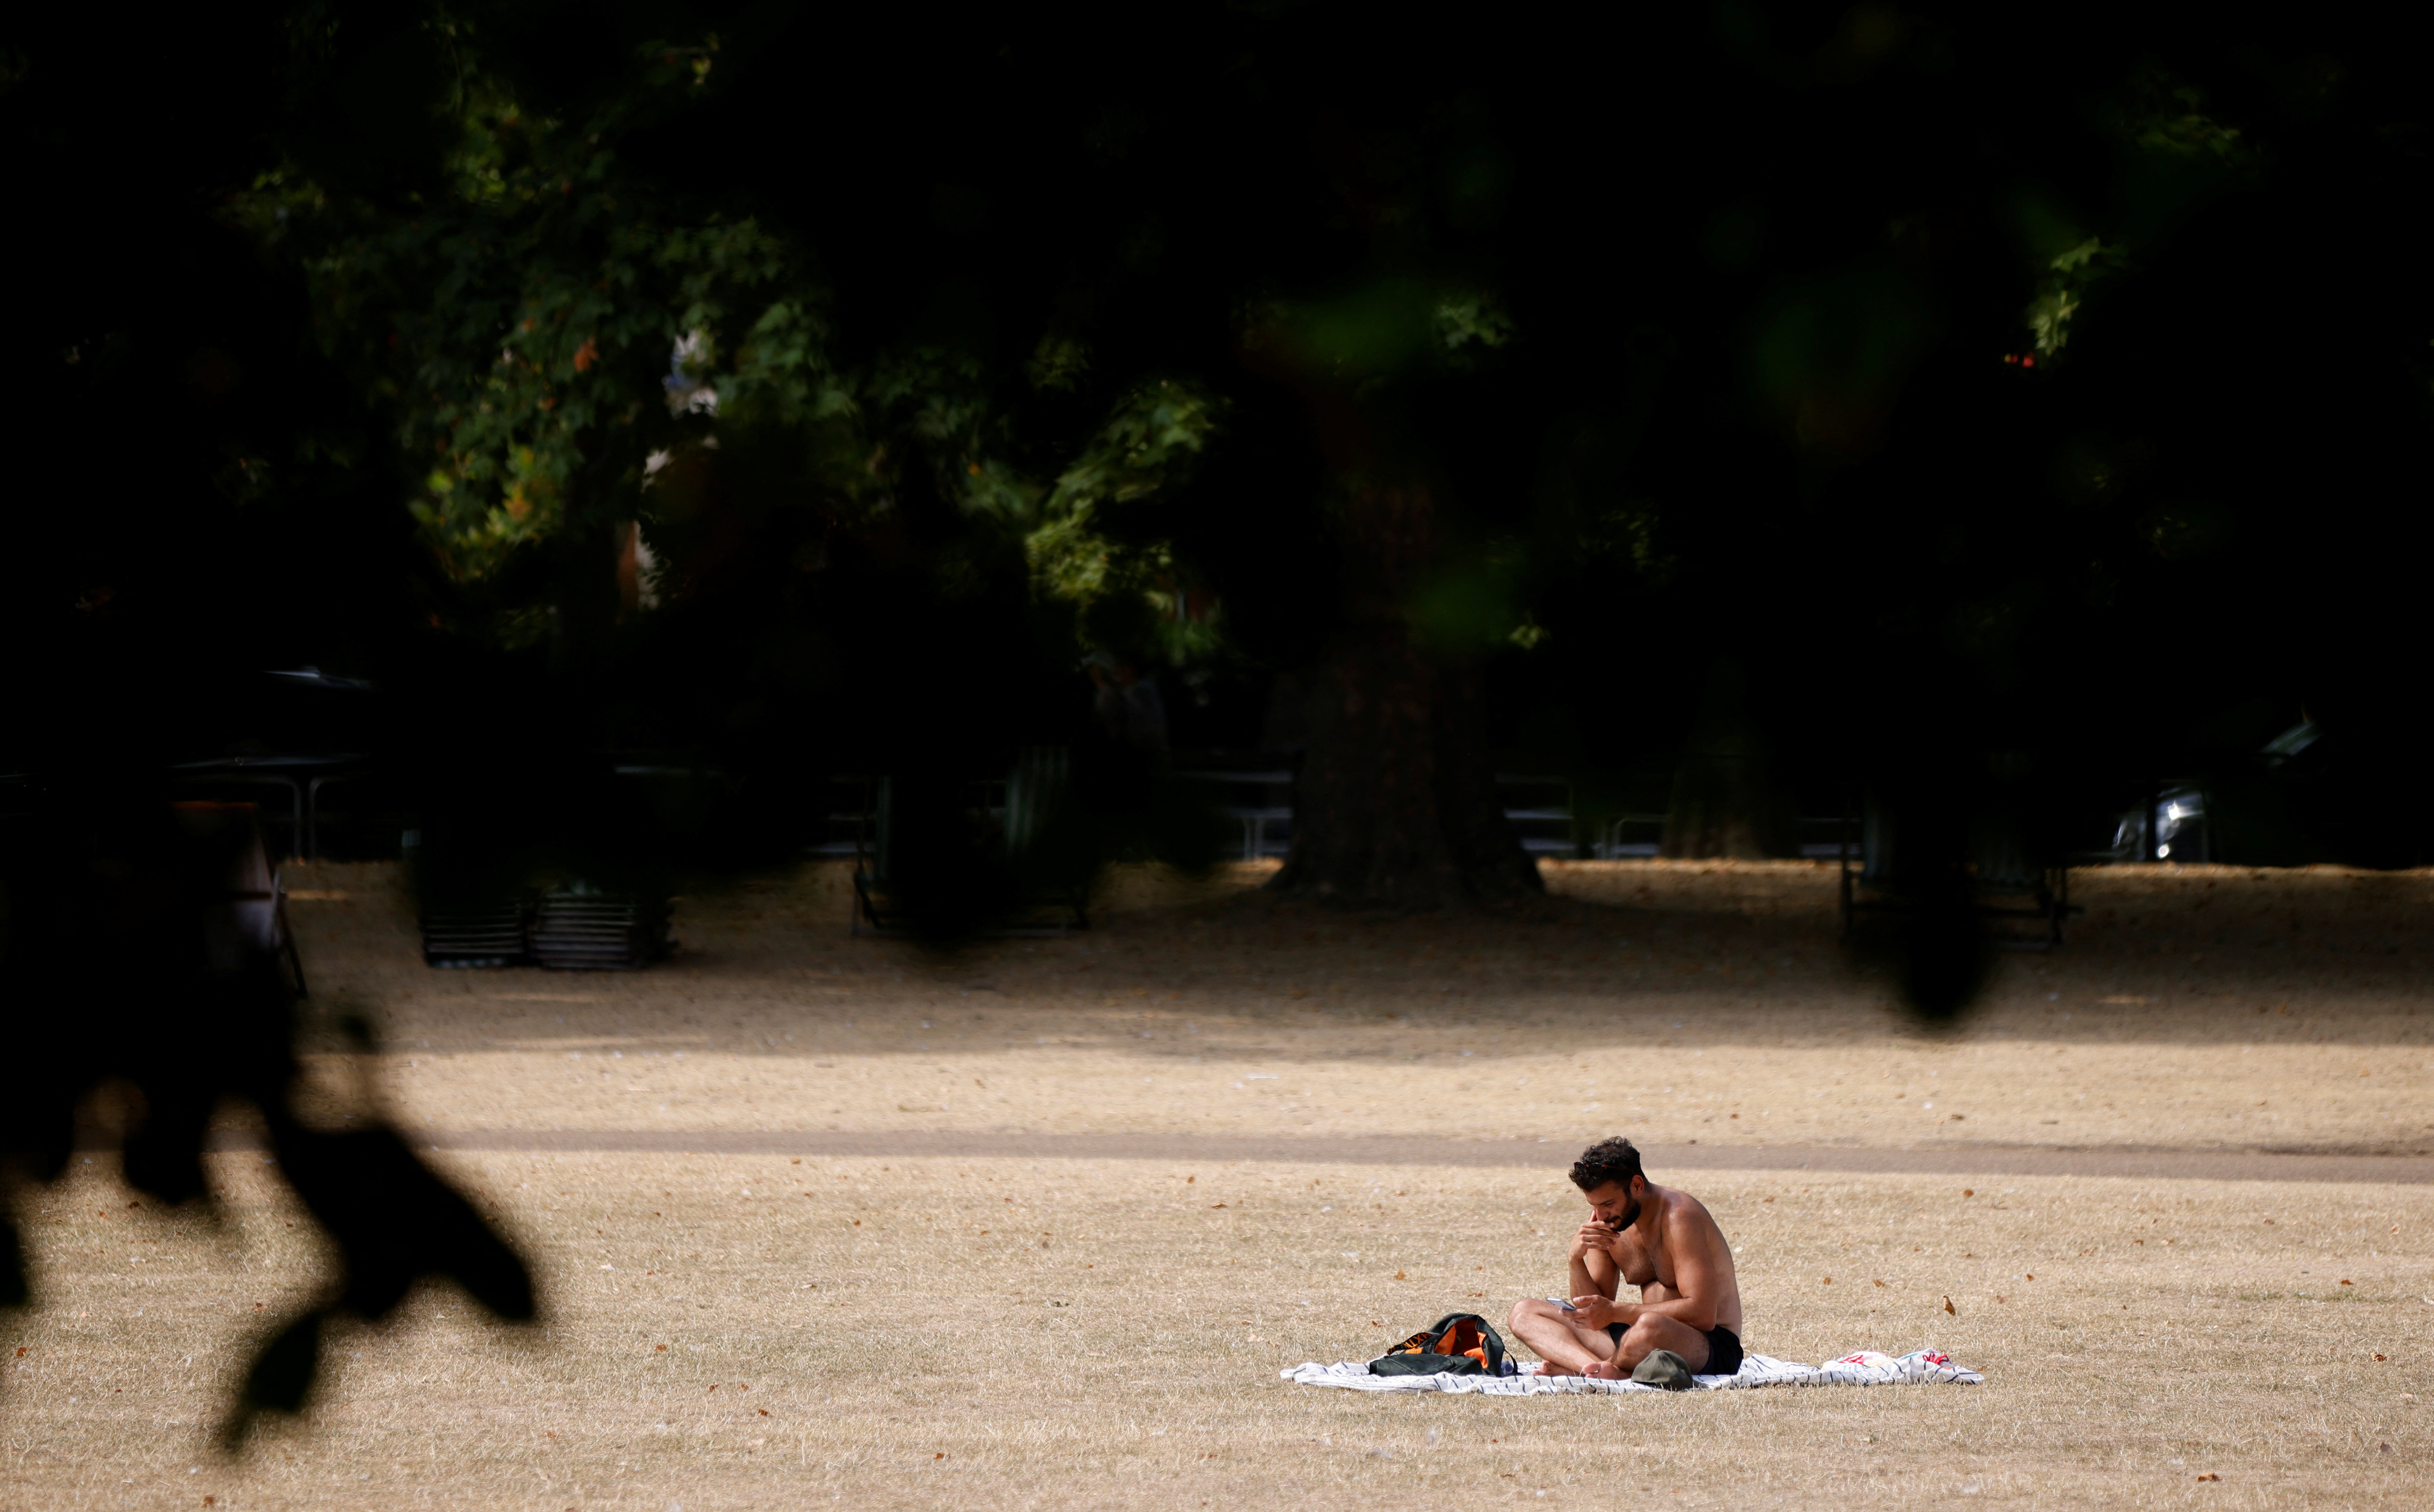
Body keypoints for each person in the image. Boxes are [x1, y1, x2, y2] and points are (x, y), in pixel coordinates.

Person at [1505, 1137, 1746, 1378]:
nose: (1601, 1215)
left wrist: (1616, 1312)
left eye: (1608, 1203)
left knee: (1650, 1326)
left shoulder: (1679, 1216)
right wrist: (1576, 1259)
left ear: (1637, 1186)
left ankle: (1608, 1368)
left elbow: (1703, 1315)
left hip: (1707, 1345)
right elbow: (1593, 1310)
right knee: (1524, 1313)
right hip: (1638, 1342)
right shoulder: (1608, 1220)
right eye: (1594, 1205)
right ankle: (1596, 1369)